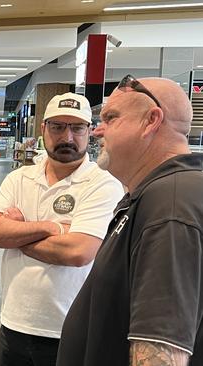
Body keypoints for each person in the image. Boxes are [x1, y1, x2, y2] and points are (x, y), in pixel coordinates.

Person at [57, 76, 203, 365]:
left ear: (151, 121)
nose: (97, 130)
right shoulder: (156, 195)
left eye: (111, 118)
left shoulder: (170, 205)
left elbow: (162, 349)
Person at [0, 92, 124, 366]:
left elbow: (78, 252)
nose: (67, 137)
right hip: (14, 324)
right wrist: (52, 227)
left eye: (77, 128)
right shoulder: (19, 178)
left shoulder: (103, 184)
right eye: (58, 127)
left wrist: (18, 232)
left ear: (89, 131)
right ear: (43, 128)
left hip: (70, 329)